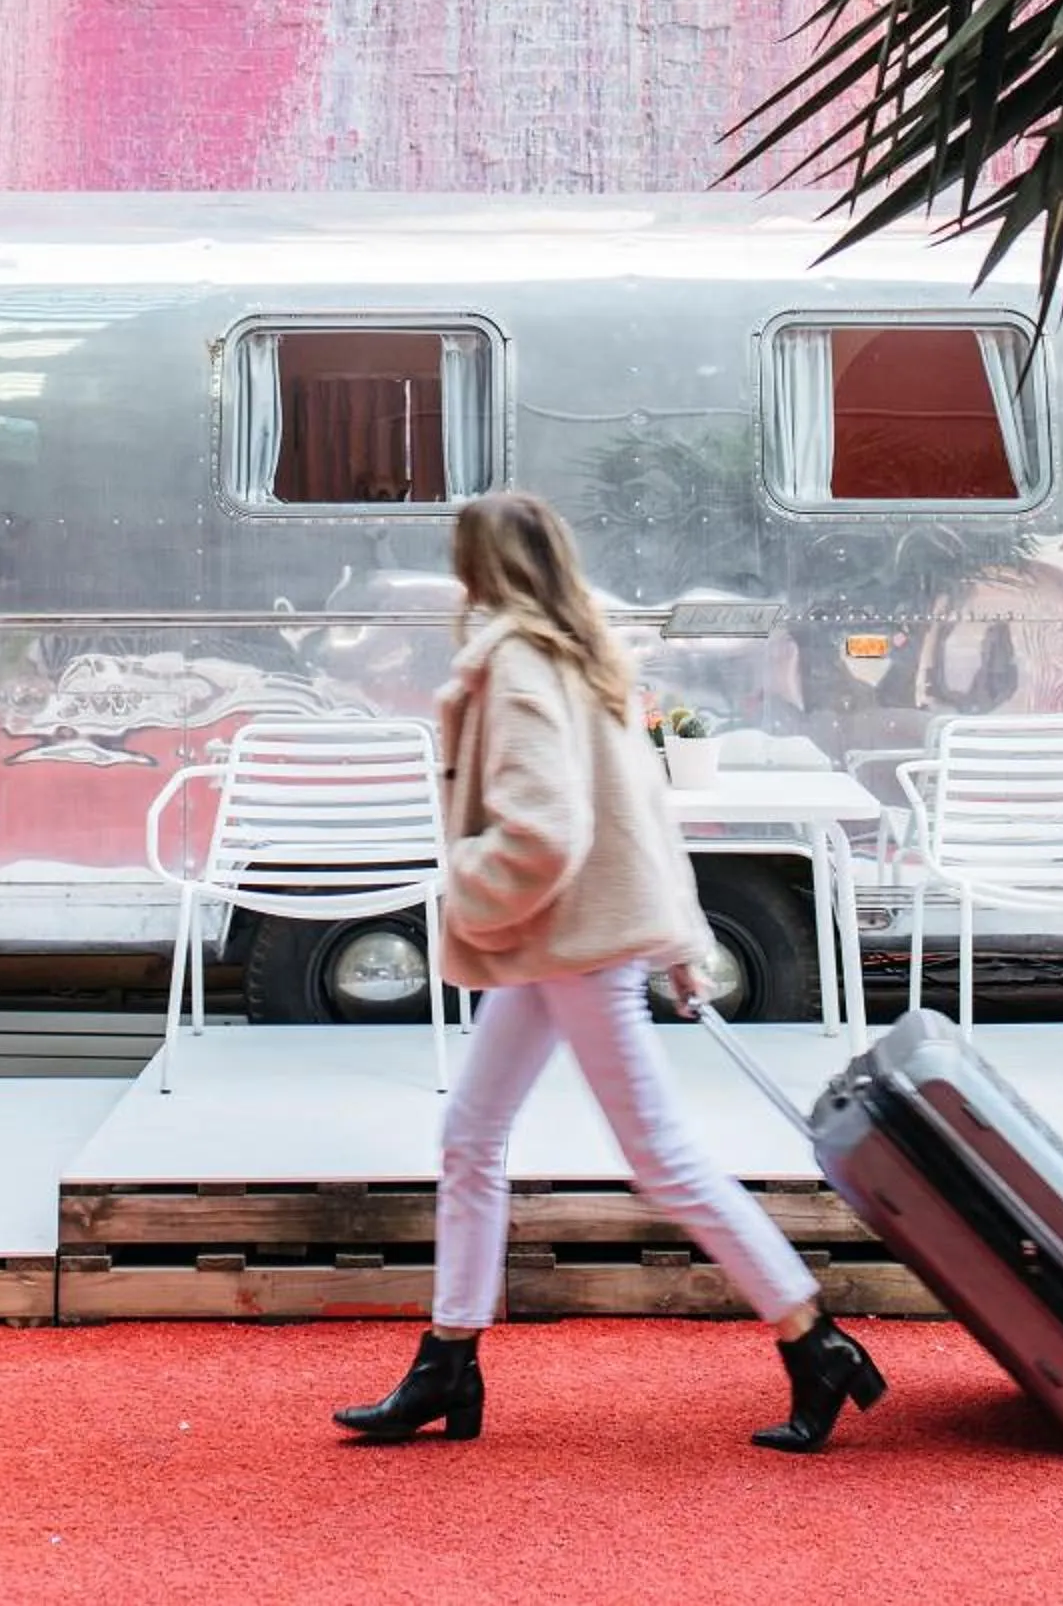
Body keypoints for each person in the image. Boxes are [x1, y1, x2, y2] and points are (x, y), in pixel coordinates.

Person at [334, 490, 886, 1454]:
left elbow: (548, 829)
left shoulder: (512, 663)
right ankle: (448, 1362)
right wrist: (675, 939)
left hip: (570, 942)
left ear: (477, 568)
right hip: (576, 941)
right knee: (471, 1135)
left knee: (661, 1159)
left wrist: (465, 881)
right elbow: (643, 816)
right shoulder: (584, 656)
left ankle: (815, 1339)